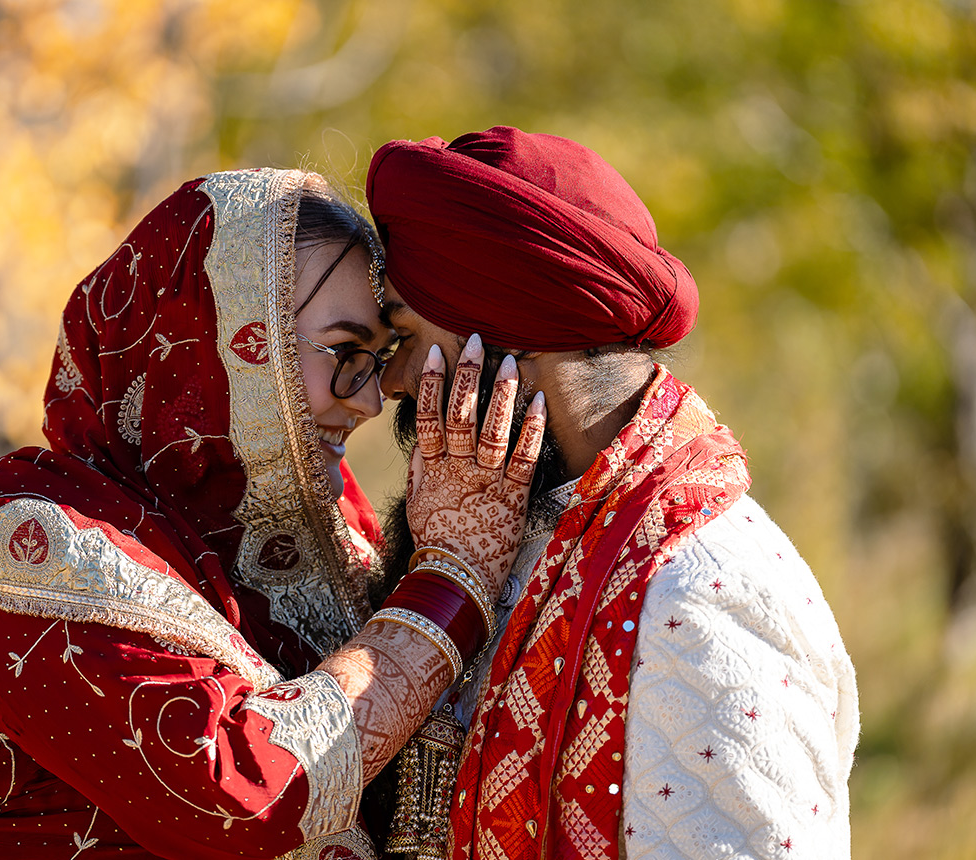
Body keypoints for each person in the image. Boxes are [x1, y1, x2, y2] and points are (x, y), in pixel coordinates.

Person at [0, 166, 546, 860]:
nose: (369, 401)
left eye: (379, 359)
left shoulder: (336, 533)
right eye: (345, 352)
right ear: (210, 341)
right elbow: (242, 794)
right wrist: (452, 577)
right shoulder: (22, 542)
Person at [366, 128, 860, 860]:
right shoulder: (517, 525)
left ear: (509, 332)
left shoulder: (699, 592)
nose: (391, 383)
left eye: (405, 337)